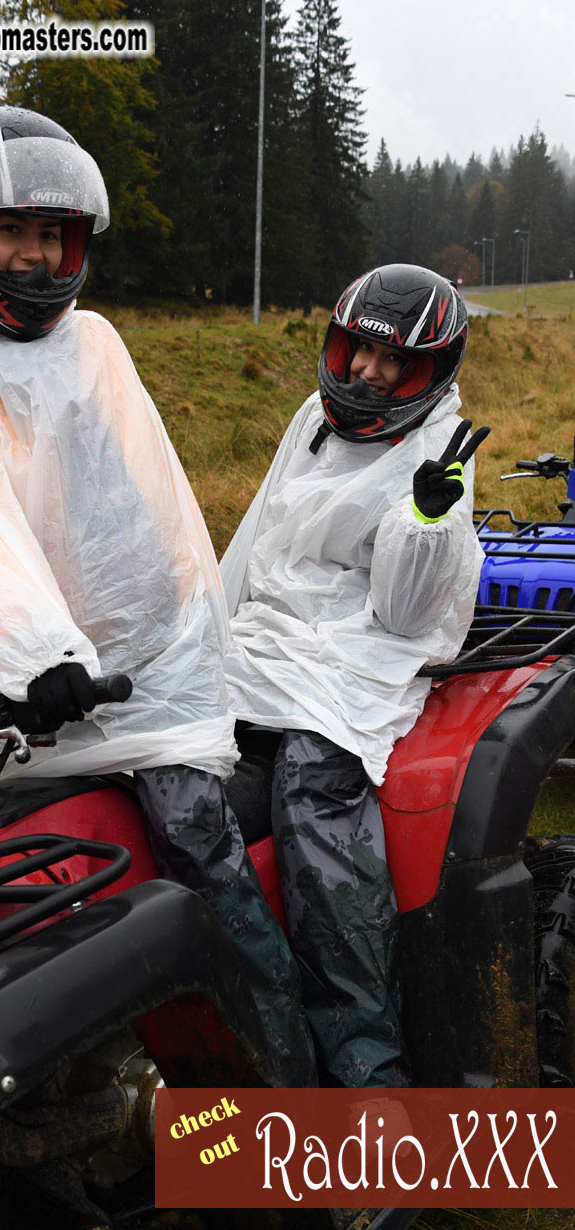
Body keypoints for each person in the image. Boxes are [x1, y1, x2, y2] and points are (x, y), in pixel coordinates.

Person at [0, 103, 315, 1086]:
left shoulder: (96, 346)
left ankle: (287, 1101)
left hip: (145, 675)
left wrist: (173, 629)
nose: (36, 258)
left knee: (204, 861)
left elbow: (147, 503)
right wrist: (43, 657)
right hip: (25, 683)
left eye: (53, 235)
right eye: (12, 232)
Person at [220, 264, 487, 1089]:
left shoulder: (437, 445)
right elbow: (257, 537)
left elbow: (406, 615)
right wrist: (197, 640)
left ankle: (366, 1060)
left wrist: (425, 520)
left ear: (430, 372)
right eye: (355, 350)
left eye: (391, 362)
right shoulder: (312, 417)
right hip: (265, 639)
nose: (367, 372)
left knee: (311, 795)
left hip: (352, 657)